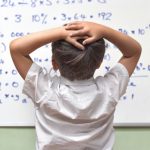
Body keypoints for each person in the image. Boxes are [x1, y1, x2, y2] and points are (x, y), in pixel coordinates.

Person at [9, 21, 141, 150]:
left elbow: (16, 48)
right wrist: (104, 31)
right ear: (99, 62)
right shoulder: (109, 89)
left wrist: (60, 33)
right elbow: (134, 52)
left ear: (54, 63)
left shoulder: (44, 90)